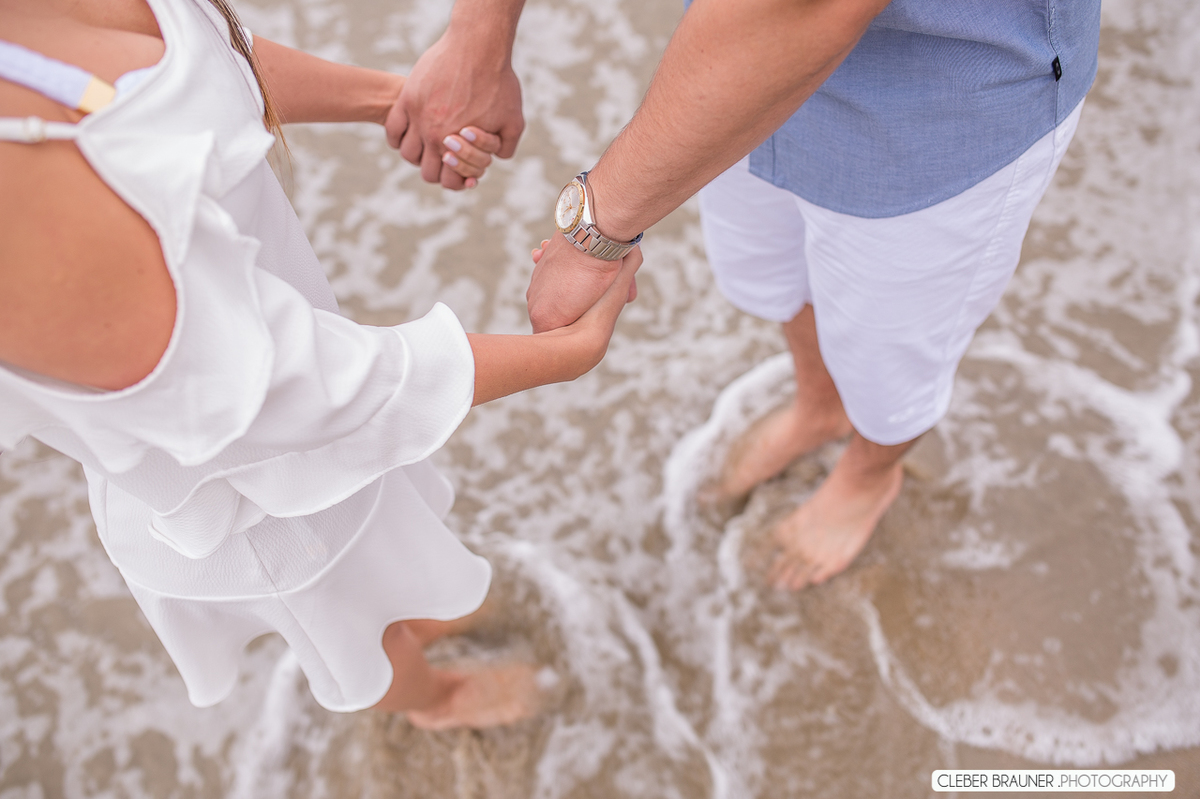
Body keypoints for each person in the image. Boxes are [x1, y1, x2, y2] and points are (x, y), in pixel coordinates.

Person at [0, 0, 639, 729]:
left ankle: (421, 620)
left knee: (382, 539)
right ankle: (435, 700)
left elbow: (186, 61)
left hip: (323, 395)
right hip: (238, 487)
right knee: (353, 628)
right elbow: (268, 385)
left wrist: (397, 100)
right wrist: (560, 355)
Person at [398, 0, 1100, 592]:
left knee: (891, 350)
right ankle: (819, 404)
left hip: (940, 104)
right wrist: (479, 36)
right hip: (732, 68)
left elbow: (806, 8)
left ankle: (869, 474)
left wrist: (594, 233)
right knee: (771, 275)